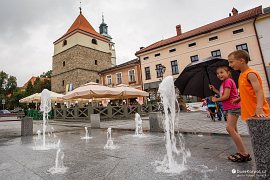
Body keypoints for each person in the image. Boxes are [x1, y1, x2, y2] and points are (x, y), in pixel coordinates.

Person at [209, 65, 250, 162]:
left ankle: (244, 153)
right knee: (234, 130)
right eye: (217, 73)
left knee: (229, 128)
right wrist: (215, 90)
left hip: (233, 107)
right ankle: (241, 152)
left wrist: (216, 99)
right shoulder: (224, 83)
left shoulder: (228, 81)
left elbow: (226, 96)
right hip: (229, 108)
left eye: (221, 72)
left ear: (228, 73)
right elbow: (223, 93)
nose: (219, 75)